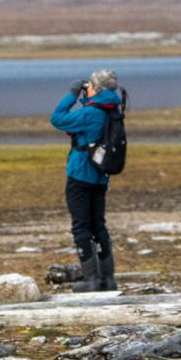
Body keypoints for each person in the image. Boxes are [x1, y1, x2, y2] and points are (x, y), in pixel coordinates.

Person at [51, 69, 124, 292]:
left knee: (81, 227)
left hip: (81, 175)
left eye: (90, 85)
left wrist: (73, 95)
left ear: (98, 89)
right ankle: (108, 278)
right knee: (98, 226)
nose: (87, 88)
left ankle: (91, 279)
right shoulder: (113, 110)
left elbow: (57, 118)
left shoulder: (91, 113)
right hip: (100, 177)